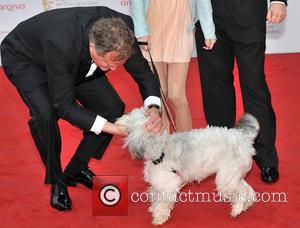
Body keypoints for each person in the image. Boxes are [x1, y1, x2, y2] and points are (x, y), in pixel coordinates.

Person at [0, 7, 163, 211]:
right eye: (110, 64)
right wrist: (113, 129)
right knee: (46, 114)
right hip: (27, 58)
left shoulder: (122, 31)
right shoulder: (60, 42)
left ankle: (76, 169)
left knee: (112, 107)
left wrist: (154, 108)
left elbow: (143, 73)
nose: (114, 70)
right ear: (93, 48)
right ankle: (57, 179)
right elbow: (65, 106)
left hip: (73, 60)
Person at [195, 0, 287, 183]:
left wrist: (278, 2)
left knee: (254, 86)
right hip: (207, 15)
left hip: (249, 14)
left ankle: (265, 154)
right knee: (215, 88)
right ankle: (222, 151)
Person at [131, 0, 216, 132]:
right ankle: (161, 145)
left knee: (177, 95)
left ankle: (186, 146)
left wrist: (209, 31)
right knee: (159, 94)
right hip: (152, 27)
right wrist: (141, 31)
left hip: (181, 27)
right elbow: (136, 3)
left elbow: (203, 2)